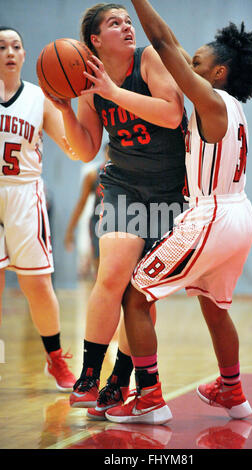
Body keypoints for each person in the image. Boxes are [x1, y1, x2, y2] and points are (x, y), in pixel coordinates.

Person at [104, 0, 252, 425]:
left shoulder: (212, 102)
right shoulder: (231, 107)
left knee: (134, 297)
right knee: (214, 306)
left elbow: (162, 41)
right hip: (238, 215)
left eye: (200, 57)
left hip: (211, 216)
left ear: (219, 73)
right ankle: (233, 390)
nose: (189, 56)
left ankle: (150, 399)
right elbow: (172, 45)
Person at [44, 3, 187, 418]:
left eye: (128, 21)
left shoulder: (149, 59)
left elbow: (172, 112)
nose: (127, 27)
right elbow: (86, 147)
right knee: (111, 274)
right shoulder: (87, 75)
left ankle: (119, 379)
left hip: (168, 190)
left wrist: (112, 91)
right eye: (115, 23)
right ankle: (91, 374)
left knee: (139, 292)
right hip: (123, 184)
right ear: (94, 39)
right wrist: (67, 110)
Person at [0, 27, 78, 390]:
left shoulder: (38, 97)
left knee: (38, 286)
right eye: (2, 47)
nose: (9, 52)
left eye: (16, 45)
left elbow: (71, 146)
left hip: (24, 196)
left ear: (25, 54)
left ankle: (55, 358)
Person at [64, 143, 109, 277]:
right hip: (98, 224)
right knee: (99, 266)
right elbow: (81, 204)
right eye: (108, 153)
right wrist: (70, 231)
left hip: (120, 223)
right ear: (104, 154)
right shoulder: (93, 176)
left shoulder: (126, 175)